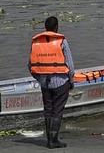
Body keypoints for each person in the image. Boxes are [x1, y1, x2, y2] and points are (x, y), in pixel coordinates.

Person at [29, 16, 74, 149]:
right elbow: (70, 65)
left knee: (48, 110)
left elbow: (30, 65)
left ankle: (50, 140)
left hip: (44, 83)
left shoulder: (36, 42)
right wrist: (71, 80)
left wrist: (40, 78)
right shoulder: (62, 41)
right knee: (57, 111)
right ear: (56, 27)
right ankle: (53, 140)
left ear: (45, 28)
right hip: (60, 82)